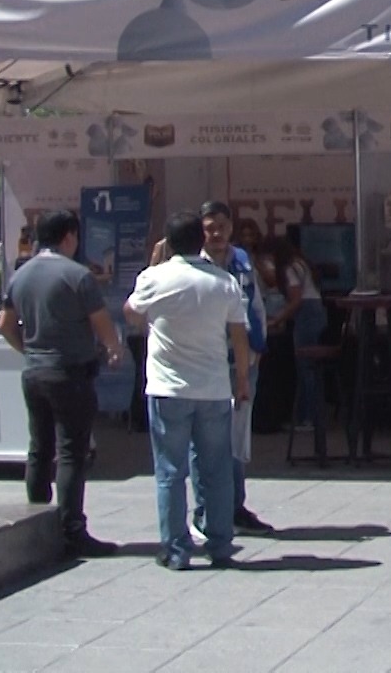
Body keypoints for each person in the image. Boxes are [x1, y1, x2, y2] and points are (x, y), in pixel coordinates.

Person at [124, 211, 253, 570]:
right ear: (202, 240)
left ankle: (177, 549)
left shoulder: (154, 278)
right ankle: (221, 544)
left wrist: (153, 265)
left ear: (167, 242)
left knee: (170, 471)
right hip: (213, 387)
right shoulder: (224, 282)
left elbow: (131, 313)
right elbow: (239, 336)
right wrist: (242, 379)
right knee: (217, 470)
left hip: (168, 388)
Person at [0, 210, 124, 559]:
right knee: (71, 452)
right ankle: (71, 530)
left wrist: (28, 350)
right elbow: (101, 322)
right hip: (69, 372)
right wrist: (113, 349)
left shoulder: (20, 275)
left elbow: (5, 324)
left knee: (39, 449)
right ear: (69, 236)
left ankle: (36, 524)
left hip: (34, 372)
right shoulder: (77, 275)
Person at [193, 201, 273, 537]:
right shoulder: (193, 265)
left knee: (237, 439)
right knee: (205, 440)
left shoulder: (241, 260)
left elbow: (256, 304)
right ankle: (205, 511)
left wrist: (259, 347)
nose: (216, 234)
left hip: (243, 360)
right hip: (209, 360)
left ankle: (236, 507)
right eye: (209, 228)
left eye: (222, 227)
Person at [261, 235, 328, 432]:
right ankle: (311, 414)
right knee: (311, 367)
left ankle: (308, 417)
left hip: (306, 314)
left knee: (305, 366)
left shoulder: (290, 268)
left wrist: (277, 319)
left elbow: (296, 300)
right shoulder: (302, 263)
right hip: (316, 311)